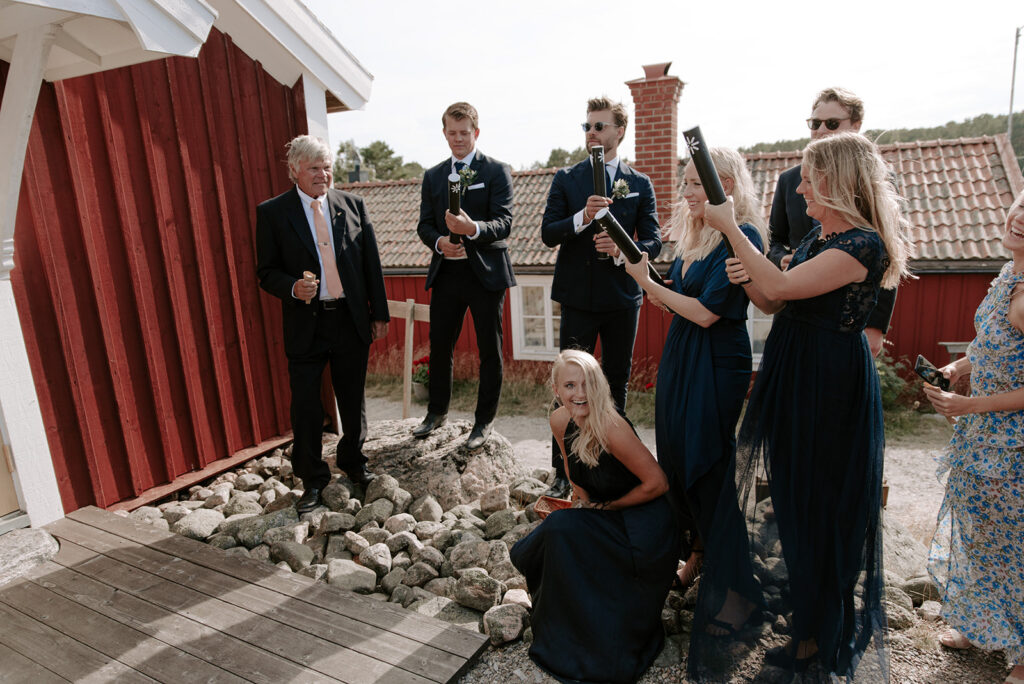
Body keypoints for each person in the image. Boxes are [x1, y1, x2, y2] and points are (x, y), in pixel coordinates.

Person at [689, 132, 911, 680]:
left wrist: (733, 231)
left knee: (820, 505)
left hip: (827, 386)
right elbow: (771, 298)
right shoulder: (819, 236)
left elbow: (783, 285)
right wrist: (748, 274)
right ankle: (805, 623)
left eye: (810, 178)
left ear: (838, 181)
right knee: (791, 496)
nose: (801, 188)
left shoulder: (862, 245)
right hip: (793, 371)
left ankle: (816, 637)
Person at [623, 147, 766, 592]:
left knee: (706, 457)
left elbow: (706, 313)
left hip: (718, 357)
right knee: (676, 454)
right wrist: (656, 285)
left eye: (695, 183)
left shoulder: (743, 235)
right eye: (684, 182)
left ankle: (730, 572)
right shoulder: (695, 234)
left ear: (726, 186)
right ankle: (698, 551)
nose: (685, 191)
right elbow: (683, 301)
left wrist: (646, 283)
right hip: (682, 352)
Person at [509, 349, 679, 684]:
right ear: (556, 389)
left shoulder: (611, 426)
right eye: (570, 385)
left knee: (558, 529)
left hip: (644, 528)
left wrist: (607, 508)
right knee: (563, 533)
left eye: (588, 383)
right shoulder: (560, 420)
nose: (580, 393)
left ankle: (604, 637)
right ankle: (565, 627)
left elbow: (658, 483)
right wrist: (585, 511)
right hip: (606, 514)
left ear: (599, 385)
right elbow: (575, 475)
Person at [255, 135, 389, 514]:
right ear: (294, 170)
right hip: (305, 324)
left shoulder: (353, 205)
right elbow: (266, 272)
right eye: (314, 168)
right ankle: (313, 480)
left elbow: (371, 263)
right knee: (306, 406)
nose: (322, 174)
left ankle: (354, 463)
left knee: (353, 398)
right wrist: (292, 287)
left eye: (327, 167)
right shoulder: (272, 213)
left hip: (349, 318)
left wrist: (379, 313)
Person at [923, 189, 1024, 684]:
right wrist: (957, 368)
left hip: (1014, 444)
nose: (1021, 218)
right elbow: (991, 347)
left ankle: (1023, 653)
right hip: (982, 435)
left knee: (1015, 543)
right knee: (981, 531)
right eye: (1021, 206)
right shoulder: (1008, 274)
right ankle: (984, 625)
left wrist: (969, 405)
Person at [540, 96, 661, 497]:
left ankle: (613, 463)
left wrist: (625, 248)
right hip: (577, 296)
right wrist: (583, 217)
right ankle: (564, 470)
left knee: (616, 381)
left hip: (622, 297)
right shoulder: (566, 178)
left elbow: (654, 241)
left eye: (599, 126)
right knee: (568, 385)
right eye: (587, 126)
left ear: (619, 131)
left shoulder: (639, 183)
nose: (591, 133)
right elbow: (548, 233)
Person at [412, 102, 515, 450]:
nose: (458, 139)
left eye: (464, 133)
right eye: (452, 133)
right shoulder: (433, 176)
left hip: (486, 274)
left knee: (490, 349)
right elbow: (424, 225)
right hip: (447, 273)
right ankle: (436, 412)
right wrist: (440, 242)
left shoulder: (497, 171)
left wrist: (472, 229)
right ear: (444, 133)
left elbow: (504, 222)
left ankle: (484, 421)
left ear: (476, 133)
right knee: (440, 346)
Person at [768, 87, 897, 356]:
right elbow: (775, 239)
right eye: (815, 123)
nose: (821, 130)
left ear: (856, 126)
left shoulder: (874, 179)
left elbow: (887, 247)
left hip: (844, 321)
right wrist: (781, 259)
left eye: (832, 123)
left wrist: (876, 326)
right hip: (795, 307)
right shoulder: (790, 180)